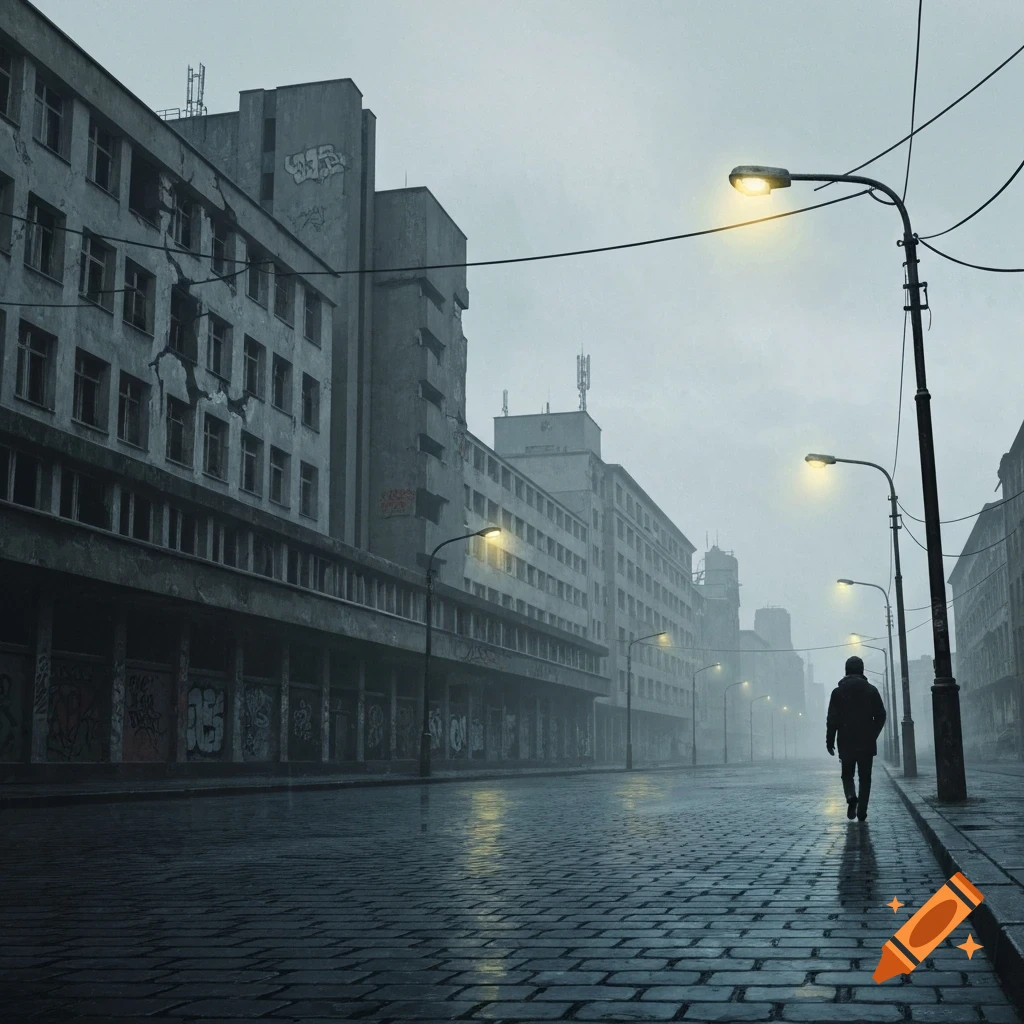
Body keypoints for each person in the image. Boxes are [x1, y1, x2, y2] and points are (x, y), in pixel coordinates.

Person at [826, 655, 887, 822]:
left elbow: (832, 719)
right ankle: (862, 812)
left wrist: (830, 741)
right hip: (866, 742)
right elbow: (881, 715)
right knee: (865, 778)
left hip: (845, 741)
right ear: (862, 670)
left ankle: (851, 796)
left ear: (846, 671)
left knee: (847, 774)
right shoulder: (871, 690)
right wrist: (872, 734)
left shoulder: (838, 692)